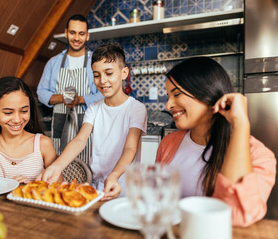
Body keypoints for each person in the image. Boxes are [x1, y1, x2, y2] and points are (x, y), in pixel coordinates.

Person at [155, 57, 276, 227]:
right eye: (168, 96)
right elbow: (157, 202)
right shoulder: (168, 144)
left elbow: (237, 216)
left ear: (207, 93)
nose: (168, 105)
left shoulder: (259, 155)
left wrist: (240, 124)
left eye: (176, 94)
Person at [37, 43, 147, 200]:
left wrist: (114, 175)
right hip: (98, 185)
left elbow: (130, 148)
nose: (102, 81)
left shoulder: (136, 108)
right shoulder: (94, 108)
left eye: (109, 73)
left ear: (124, 73)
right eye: (96, 75)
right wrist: (56, 167)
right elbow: (80, 140)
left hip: (126, 186)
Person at [37, 14, 103, 164]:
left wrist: (81, 99)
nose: (76, 38)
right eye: (72, 33)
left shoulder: (96, 62)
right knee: (60, 164)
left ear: (87, 36)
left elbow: (103, 94)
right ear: (66, 33)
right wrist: (63, 98)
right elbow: (41, 92)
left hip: (88, 123)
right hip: (60, 122)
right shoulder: (53, 63)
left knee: (86, 165)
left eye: (81, 34)